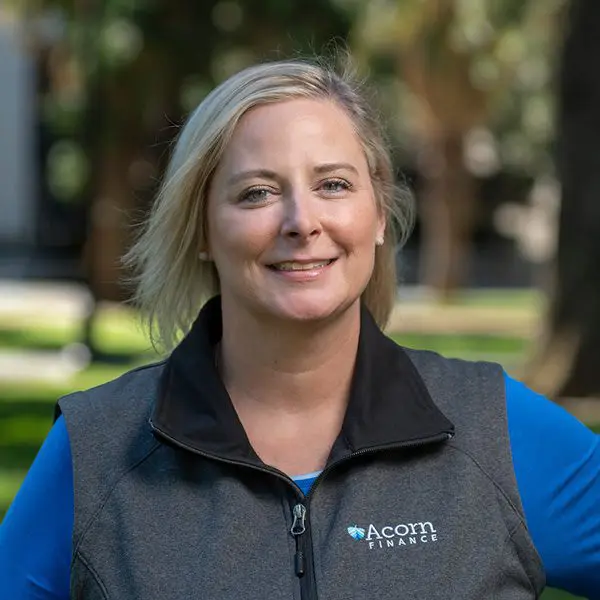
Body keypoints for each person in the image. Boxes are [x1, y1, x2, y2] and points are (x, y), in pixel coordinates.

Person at [1, 56, 599, 600]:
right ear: (202, 230)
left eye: (333, 184)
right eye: (258, 193)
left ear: (378, 215)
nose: (301, 221)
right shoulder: (97, 450)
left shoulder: (495, 429)